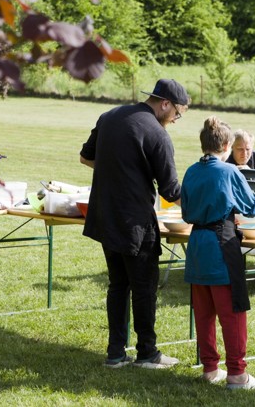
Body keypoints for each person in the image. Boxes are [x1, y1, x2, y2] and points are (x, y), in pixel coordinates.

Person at [80, 79, 189, 369]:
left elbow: (86, 157)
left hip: (105, 216)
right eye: (177, 113)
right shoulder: (158, 134)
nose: (176, 120)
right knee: (143, 288)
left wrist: (119, 167)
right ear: (165, 104)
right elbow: (171, 191)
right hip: (135, 223)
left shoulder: (110, 116)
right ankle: (147, 353)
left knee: (118, 285)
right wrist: (200, 208)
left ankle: (115, 353)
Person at [181, 116, 255, 390]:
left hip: (197, 244)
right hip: (222, 243)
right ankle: (237, 374)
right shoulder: (230, 172)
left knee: (204, 312)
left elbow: (185, 211)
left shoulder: (191, 171)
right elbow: (252, 207)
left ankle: (210, 368)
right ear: (228, 145)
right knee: (233, 312)